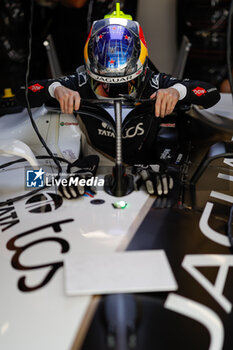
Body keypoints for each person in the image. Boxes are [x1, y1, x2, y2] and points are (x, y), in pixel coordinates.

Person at [16, 5, 220, 166]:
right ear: (90, 72)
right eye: (104, 85)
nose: (115, 93)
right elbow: (23, 93)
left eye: (127, 85)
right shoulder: (80, 81)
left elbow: (211, 93)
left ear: (141, 71)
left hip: (149, 172)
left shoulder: (155, 81)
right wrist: (56, 89)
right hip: (94, 169)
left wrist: (176, 91)